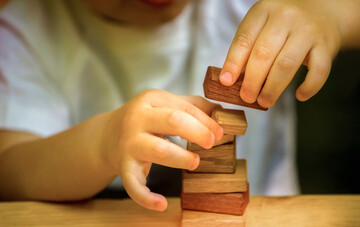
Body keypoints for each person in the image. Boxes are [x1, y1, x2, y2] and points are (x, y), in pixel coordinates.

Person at [0, 0, 359, 211]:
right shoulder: (24, 30)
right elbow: (11, 170)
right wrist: (102, 144)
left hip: (270, 222)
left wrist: (328, 14)